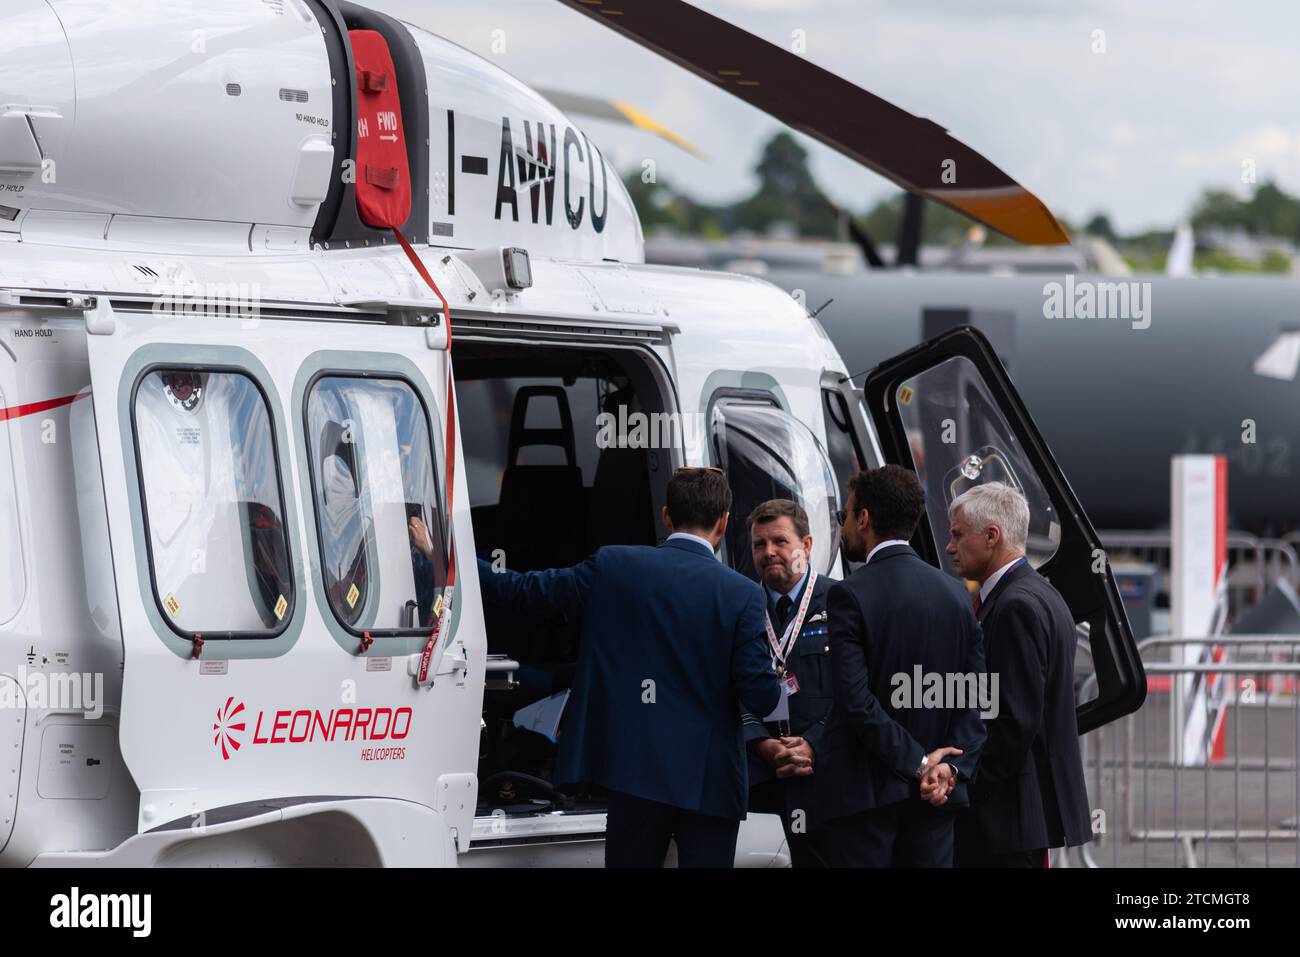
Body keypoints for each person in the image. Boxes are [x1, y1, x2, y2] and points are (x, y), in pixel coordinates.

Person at [477, 467, 781, 867]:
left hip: (633, 775)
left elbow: (521, 592)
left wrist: (450, 557)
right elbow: (761, 696)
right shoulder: (743, 594)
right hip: (709, 783)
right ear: (724, 521)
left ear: (667, 516)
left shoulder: (614, 565)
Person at [818, 465, 987, 867]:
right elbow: (976, 697)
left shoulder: (848, 595)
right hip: (936, 803)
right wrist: (949, 769)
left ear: (864, 519)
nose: (844, 525)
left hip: (868, 802)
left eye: (846, 515)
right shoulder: (956, 595)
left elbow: (856, 702)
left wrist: (919, 762)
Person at [945, 482, 1092, 867]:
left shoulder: (1015, 607)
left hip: (1006, 819)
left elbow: (1014, 722)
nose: (949, 547)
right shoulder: (1039, 594)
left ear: (992, 536)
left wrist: (959, 776)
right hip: (1021, 817)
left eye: (958, 535)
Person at [740, 499, 835, 867]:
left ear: (806, 545)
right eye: (759, 545)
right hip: (761, 784)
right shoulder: (741, 607)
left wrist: (813, 743)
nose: (768, 553)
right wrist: (762, 743)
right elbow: (728, 690)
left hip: (825, 779)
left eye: (779, 541)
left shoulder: (841, 602)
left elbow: (857, 691)